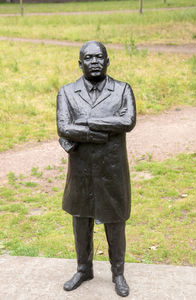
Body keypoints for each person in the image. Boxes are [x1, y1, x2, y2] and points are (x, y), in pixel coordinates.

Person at [56, 41, 136, 297]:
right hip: (81, 170)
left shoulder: (122, 89)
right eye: (88, 58)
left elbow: (127, 121)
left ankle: (118, 272)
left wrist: (87, 121)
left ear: (107, 61)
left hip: (112, 170)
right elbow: (64, 129)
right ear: (80, 63)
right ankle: (83, 268)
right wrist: (99, 135)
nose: (94, 62)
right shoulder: (67, 92)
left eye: (99, 57)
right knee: (81, 221)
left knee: (115, 222)